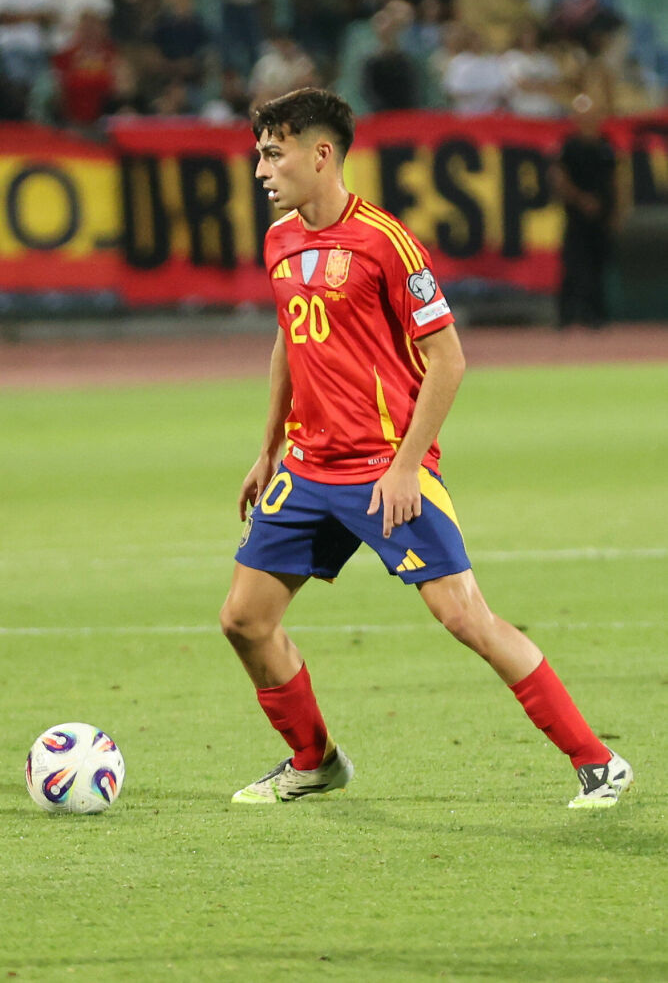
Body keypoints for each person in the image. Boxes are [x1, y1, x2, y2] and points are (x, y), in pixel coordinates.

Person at [219, 86, 633, 809]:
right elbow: (292, 334)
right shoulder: (281, 239)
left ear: (321, 155)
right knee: (244, 621)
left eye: (272, 153)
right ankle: (314, 761)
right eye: (258, 154)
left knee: (463, 616)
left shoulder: (385, 240)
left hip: (385, 466)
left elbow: (449, 359)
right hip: (309, 468)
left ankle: (597, 760)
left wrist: (408, 465)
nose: (260, 169)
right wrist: (269, 448)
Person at [551, 93, 617, 329]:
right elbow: (560, 179)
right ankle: (567, 316)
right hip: (576, 216)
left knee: (598, 266)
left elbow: (616, 180)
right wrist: (581, 200)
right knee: (574, 264)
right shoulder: (569, 146)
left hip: (601, 216)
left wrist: (615, 211)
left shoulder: (606, 145)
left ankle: (595, 316)